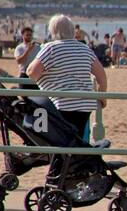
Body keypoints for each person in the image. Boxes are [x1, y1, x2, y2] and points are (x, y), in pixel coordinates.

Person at [25, 15, 108, 184]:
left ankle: (55, 179)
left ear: (53, 31)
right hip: (85, 106)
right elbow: (101, 76)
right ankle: (66, 177)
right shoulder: (85, 49)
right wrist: (102, 96)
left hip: (61, 105)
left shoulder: (50, 48)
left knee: (60, 144)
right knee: (71, 143)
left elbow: (32, 73)